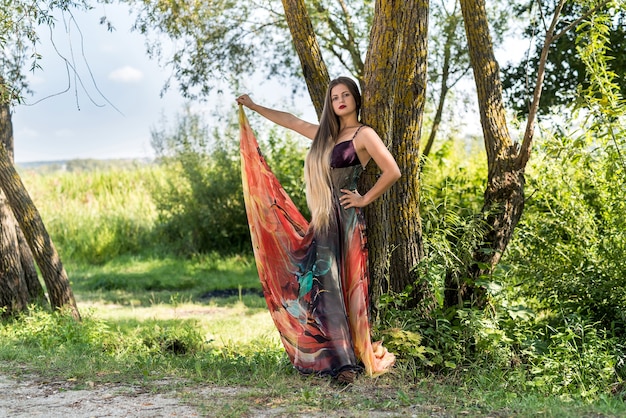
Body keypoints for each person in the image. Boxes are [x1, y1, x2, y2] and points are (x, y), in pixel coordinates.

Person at [236, 76, 400, 383]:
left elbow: (393, 170)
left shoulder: (364, 134)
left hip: (346, 222)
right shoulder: (326, 135)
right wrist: (254, 106)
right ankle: (336, 357)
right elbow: (291, 121)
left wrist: (364, 198)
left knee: (341, 288)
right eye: (335, 96)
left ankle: (347, 366)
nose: (340, 100)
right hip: (323, 221)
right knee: (324, 291)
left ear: (355, 99)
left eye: (346, 95)